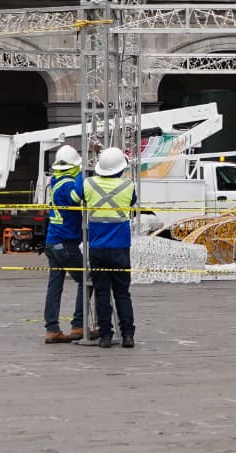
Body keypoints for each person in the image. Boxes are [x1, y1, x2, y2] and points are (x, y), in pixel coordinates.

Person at [83, 147, 138, 348]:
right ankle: (128, 335)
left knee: (102, 292)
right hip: (120, 248)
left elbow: (76, 197)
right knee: (122, 293)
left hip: (97, 248)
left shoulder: (89, 184)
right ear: (121, 168)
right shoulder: (128, 185)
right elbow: (133, 202)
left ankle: (105, 336)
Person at [43, 145, 86, 345]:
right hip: (65, 243)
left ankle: (52, 329)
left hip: (52, 242)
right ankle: (79, 325)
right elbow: (76, 197)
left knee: (55, 286)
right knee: (88, 279)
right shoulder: (68, 183)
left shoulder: (55, 181)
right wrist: (84, 173)